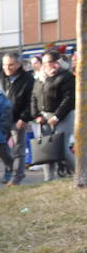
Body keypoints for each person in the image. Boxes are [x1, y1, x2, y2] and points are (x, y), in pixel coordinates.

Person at [33, 48, 76, 179]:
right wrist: (36, 115)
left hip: (63, 116)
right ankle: (48, 178)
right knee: (47, 149)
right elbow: (34, 97)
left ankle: (80, 172)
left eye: (50, 62)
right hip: (44, 117)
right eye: (44, 63)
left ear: (58, 62)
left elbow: (69, 99)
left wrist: (57, 116)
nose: (47, 66)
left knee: (61, 148)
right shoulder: (40, 78)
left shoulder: (66, 76)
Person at [2, 53, 35, 185]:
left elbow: (31, 101)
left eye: (11, 65)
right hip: (3, 119)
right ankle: (13, 166)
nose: (7, 68)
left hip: (18, 118)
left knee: (18, 148)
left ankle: (17, 176)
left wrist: (24, 117)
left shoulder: (27, 79)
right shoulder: (1, 78)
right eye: (5, 65)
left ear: (18, 64)